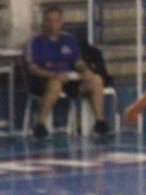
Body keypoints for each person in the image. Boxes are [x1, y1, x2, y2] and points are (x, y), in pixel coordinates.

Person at [27, 5, 110, 138]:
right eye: (48, 21)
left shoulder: (68, 39)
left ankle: (100, 122)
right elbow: (33, 69)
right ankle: (40, 125)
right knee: (55, 84)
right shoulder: (36, 41)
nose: (52, 24)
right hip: (46, 79)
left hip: (70, 79)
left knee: (96, 80)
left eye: (55, 21)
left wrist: (86, 71)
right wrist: (55, 75)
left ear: (61, 22)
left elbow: (77, 62)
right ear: (43, 22)